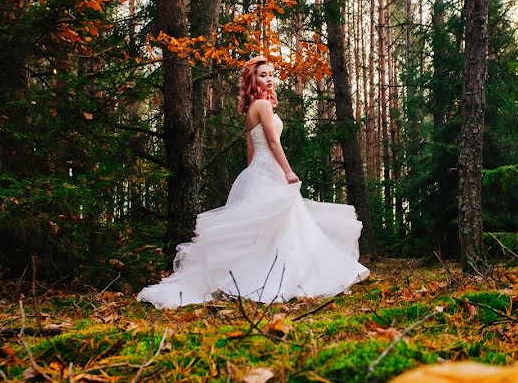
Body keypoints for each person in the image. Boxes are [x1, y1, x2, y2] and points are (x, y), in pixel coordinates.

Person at [137, 56, 370, 308]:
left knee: (271, 231)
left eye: (271, 74)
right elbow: (272, 142)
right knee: (279, 228)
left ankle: (269, 277)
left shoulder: (251, 109)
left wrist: (252, 174)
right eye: (263, 75)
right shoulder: (263, 106)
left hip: (259, 172)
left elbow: (251, 148)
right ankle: (279, 280)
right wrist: (288, 172)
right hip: (268, 171)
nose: (269, 78)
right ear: (252, 80)